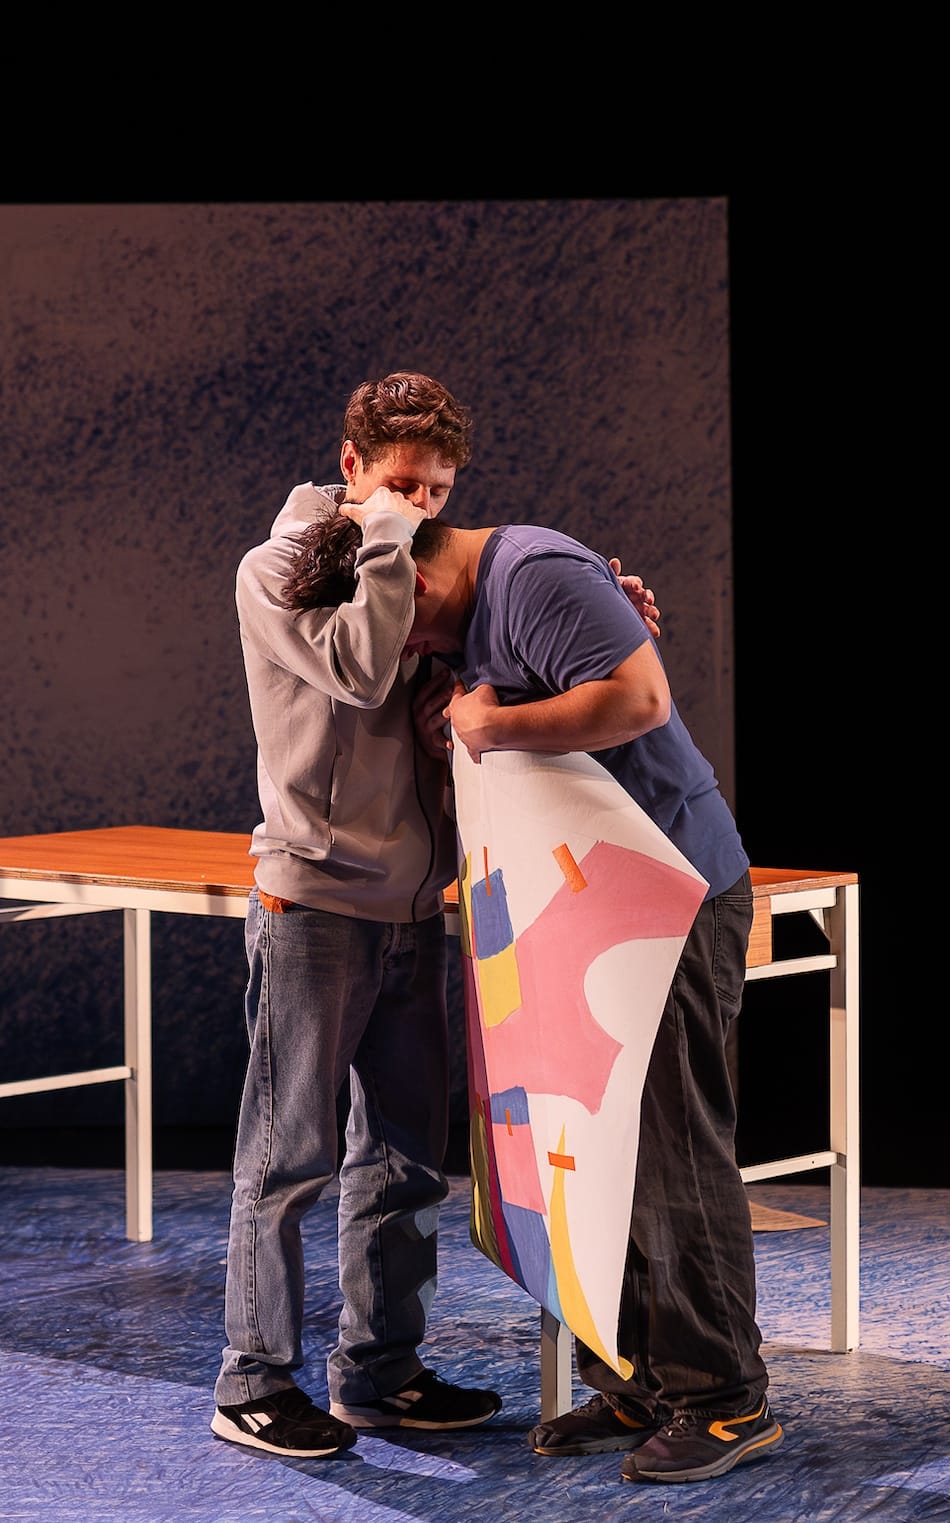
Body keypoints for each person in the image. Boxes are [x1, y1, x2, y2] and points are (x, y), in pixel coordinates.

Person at [213, 372, 662, 1459]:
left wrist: (609, 614)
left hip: (416, 909)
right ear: (352, 465)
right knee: (287, 1157)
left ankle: (379, 1370)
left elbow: (468, 696)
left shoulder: (404, 565)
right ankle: (251, 1379)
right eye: (401, 484)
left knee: (404, 1159)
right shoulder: (277, 570)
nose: (418, 506)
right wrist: (384, 537)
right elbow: (364, 670)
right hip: (314, 905)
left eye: (438, 490)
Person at [396, 513, 778, 1485]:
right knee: (603, 1152)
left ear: (418, 582)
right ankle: (643, 1379)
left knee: (672, 1152)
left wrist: (494, 726)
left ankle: (724, 1396)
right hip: (591, 910)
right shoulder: (483, 607)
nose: (409, 652)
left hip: (667, 895)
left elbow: (640, 698)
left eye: (404, 630)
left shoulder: (531, 573)